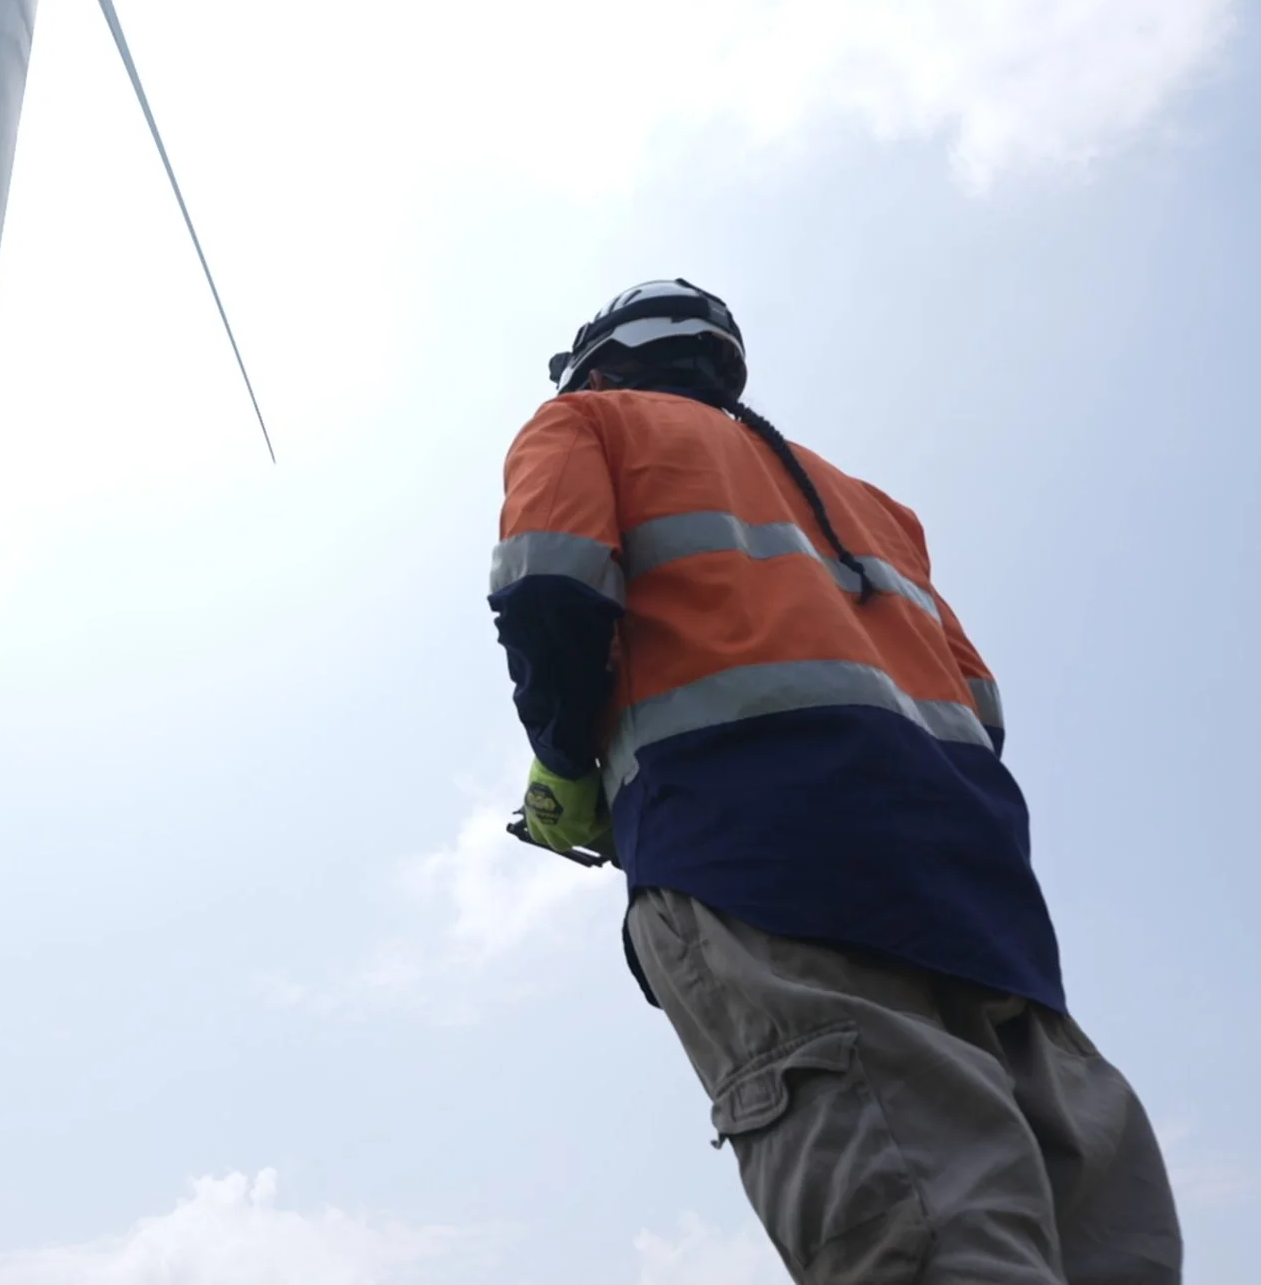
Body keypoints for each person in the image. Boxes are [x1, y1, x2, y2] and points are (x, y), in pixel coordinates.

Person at [488, 280, 1183, 1284]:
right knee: (1098, 1245)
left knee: (926, 1236)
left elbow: (551, 590)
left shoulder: (583, 422)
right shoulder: (871, 508)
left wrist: (564, 766)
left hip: (756, 860)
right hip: (978, 896)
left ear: (600, 367)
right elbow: (981, 711)